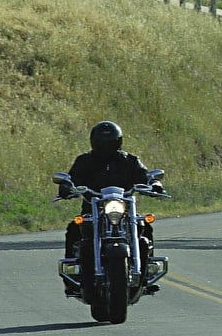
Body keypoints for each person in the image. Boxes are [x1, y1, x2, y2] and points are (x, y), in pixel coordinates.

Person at [60, 120, 161, 291]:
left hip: (124, 212)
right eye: (102, 142)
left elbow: (144, 175)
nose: (106, 146)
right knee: (75, 229)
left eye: (110, 142)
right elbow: (72, 178)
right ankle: (72, 277)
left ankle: (146, 274)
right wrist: (66, 187)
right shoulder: (85, 161)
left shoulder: (129, 160)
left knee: (144, 227)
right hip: (92, 210)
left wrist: (154, 184)